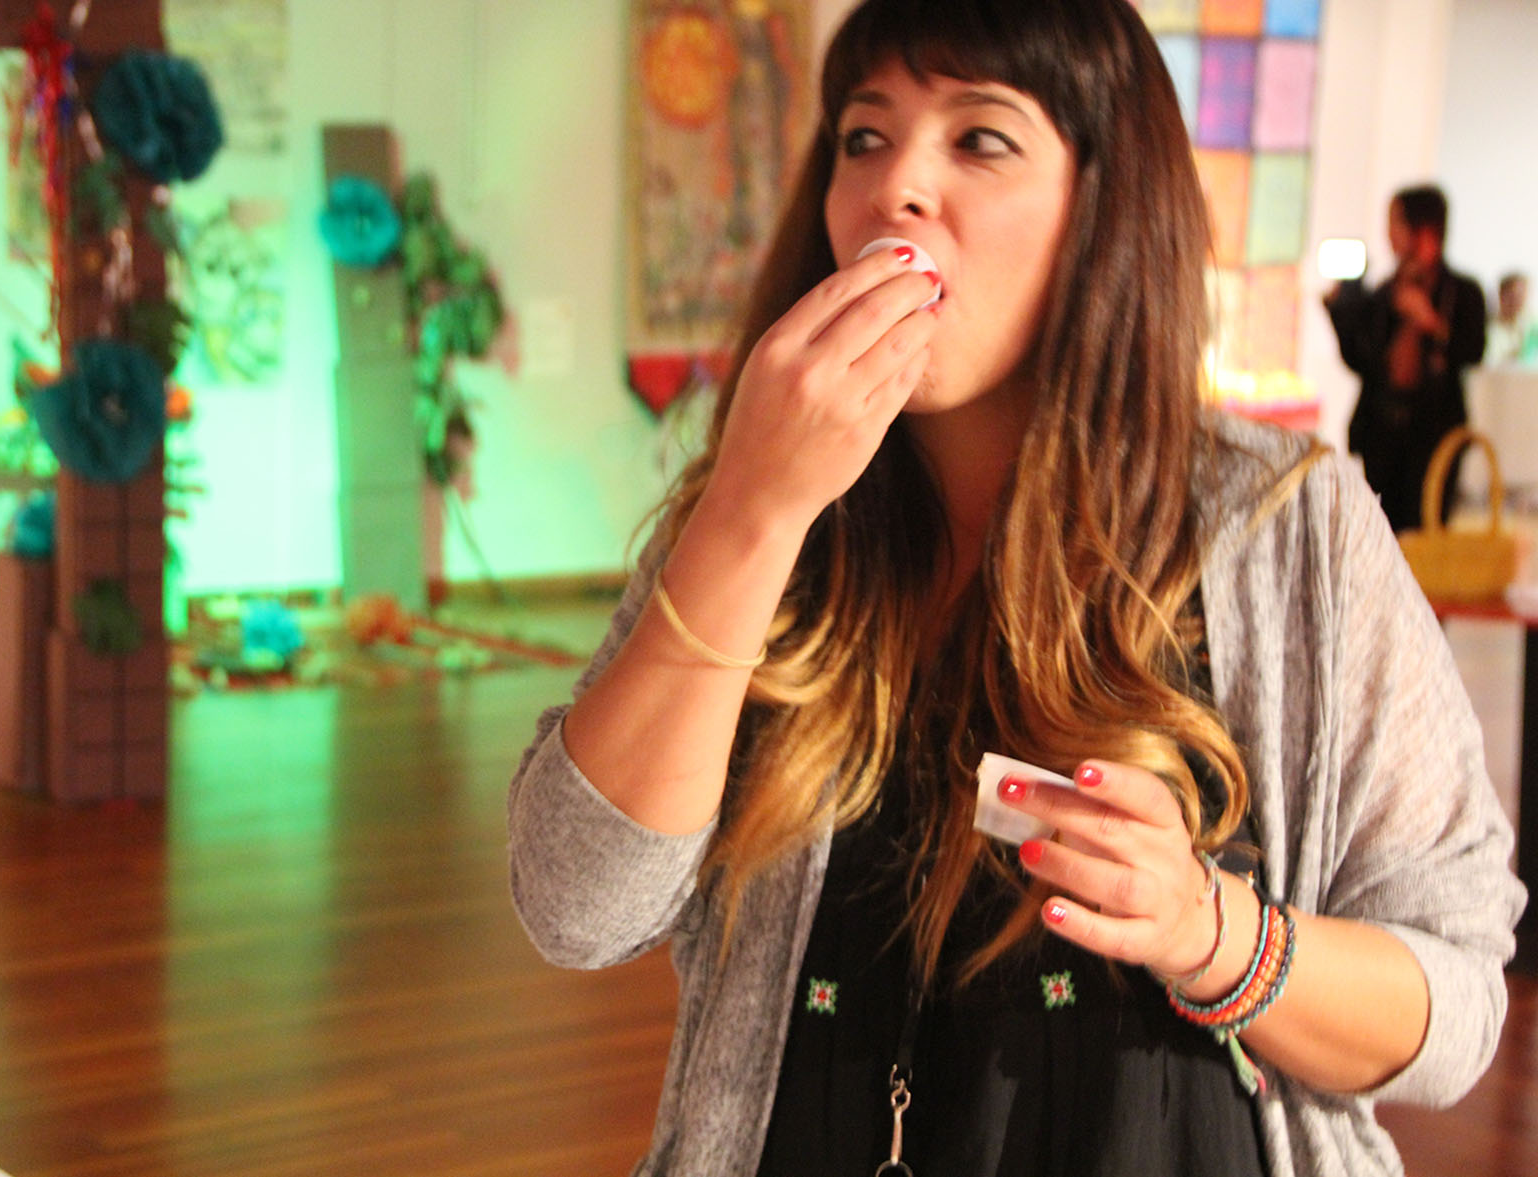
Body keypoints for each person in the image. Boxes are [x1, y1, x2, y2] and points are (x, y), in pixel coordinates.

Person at [508, 3, 1525, 1175]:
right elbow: (571, 905)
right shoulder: (750, 509)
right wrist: (751, 510)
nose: (897, 189)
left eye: (979, 139)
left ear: (1100, 204)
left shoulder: (1289, 529)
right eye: (863, 138)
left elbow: (1454, 1007)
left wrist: (1208, 930)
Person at [1325, 184, 1486, 532]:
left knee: (1425, 535)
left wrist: (1431, 322)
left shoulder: (1462, 292)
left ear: (1423, 230)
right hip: (1382, 434)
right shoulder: (1386, 292)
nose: (1389, 235)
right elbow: (1362, 362)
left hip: (1434, 436)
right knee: (1380, 532)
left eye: (1396, 223)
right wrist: (1340, 314)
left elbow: (1473, 350)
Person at [1487, 271, 1533, 365]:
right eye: (1512, 296)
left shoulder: (1532, 326)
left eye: (1521, 296)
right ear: (1501, 295)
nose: (1517, 302)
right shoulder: (1488, 326)